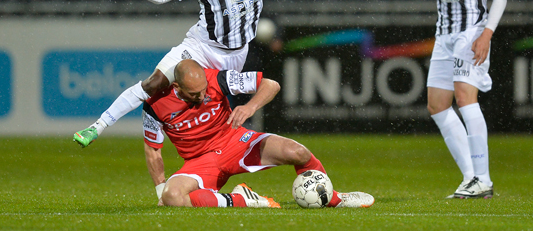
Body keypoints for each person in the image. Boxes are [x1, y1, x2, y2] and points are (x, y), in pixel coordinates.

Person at [73, 0, 314, 147]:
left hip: (236, 56)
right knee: (154, 82)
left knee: (216, 118)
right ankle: (97, 126)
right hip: (201, 48)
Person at [389, 0, 507, 199]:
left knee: (465, 97)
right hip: (444, 32)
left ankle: (483, 178)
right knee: (437, 105)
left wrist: (486, 35)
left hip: (471, 31)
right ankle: (472, 179)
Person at [142, 59, 375, 208]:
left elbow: (271, 84)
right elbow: (153, 151)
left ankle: (334, 198)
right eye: (194, 94)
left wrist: (250, 106)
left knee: (298, 152)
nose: (202, 97)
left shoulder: (217, 79)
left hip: (236, 141)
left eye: (204, 91)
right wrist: (161, 190)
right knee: (173, 197)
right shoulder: (154, 105)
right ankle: (242, 199)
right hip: (201, 162)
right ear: (176, 88)